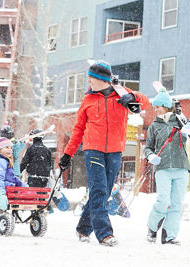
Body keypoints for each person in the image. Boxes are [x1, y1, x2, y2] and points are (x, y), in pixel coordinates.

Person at [59, 60, 150, 246]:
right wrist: (68, 154)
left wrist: (131, 96)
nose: (89, 82)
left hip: (115, 150)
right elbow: (78, 129)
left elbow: (146, 102)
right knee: (99, 188)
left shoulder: (121, 93)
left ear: (102, 80)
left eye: (91, 78)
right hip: (93, 149)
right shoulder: (88, 99)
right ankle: (105, 234)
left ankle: (83, 228)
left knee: (104, 191)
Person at [144, 87, 190, 245]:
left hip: (181, 167)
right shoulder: (154, 126)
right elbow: (148, 148)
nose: (155, 109)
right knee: (163, 200)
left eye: (158, 106)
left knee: (176, 204)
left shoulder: (180, 121)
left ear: (165, 106)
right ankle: (152, 228)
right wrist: (151, 156)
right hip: (162, 168)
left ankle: (170, 235)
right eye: (155, 107)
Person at [0, 137, 28, 211]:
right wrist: (1, 194)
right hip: (1, 190)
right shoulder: (0, 162)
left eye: (11, 148)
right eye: (7, 147)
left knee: (29, 193)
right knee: (27, 195)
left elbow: (12, 178)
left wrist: (24, 186)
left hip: (8, 189)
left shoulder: (6, 161)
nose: (10, 150)